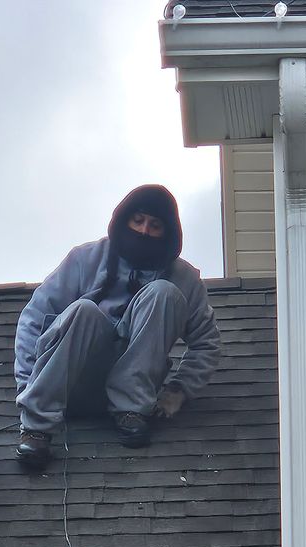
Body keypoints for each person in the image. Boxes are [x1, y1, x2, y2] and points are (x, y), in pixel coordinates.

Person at [14, 184, 221, 467]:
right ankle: (36, 428)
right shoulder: (85, 259)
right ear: (124, 220)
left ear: (168, 232)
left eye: (155, 225)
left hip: (137, 399)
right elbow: (33, 318)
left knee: (163, 292)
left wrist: (178, 391)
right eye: (138, 220)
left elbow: (207, 343)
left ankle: (130, 410)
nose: (144, 231)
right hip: (70, 386)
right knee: (85, 309)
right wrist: (28, 383)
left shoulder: (184, 279)